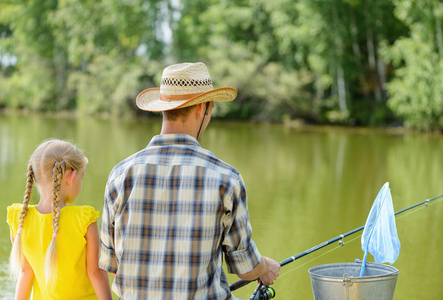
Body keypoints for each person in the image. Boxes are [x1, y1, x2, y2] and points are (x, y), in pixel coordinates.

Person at [99, 62, 280, 299]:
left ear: (163, 108)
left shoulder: (120, 175)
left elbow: (111, 263)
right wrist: (265, 268)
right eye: (211, 108)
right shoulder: (226, 179)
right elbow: (245, 268)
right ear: (201, 108)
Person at [7, 139, 112, 300]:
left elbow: (25, 271)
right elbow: (95, 272)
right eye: (81, 177)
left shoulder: (20, 220)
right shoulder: (83, 219)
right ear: (70, 177)